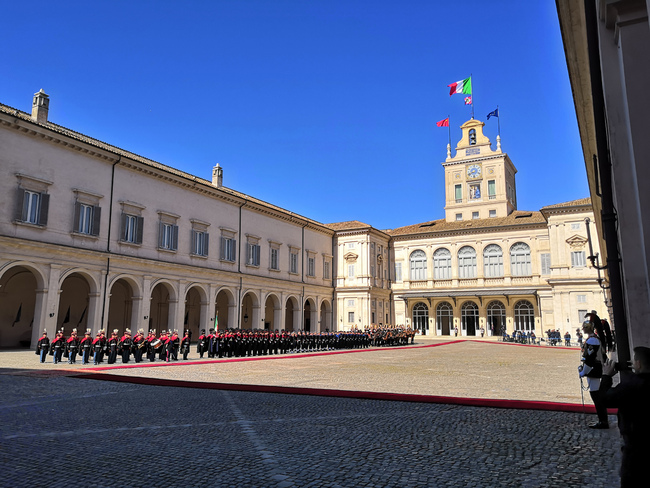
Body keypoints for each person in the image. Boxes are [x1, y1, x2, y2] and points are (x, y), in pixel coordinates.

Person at [601, 347, 650, 487]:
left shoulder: (632, 385)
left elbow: (605, 399)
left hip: (636, 447)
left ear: (639, 364)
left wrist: (606, 376)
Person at [578, 321, 608, 429]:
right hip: (594, 369)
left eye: (584, 327)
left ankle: (603, 421)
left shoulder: (592, 341)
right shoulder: (593, 339)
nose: (583, 329)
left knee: (596, 396)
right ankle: (602, 420)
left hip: (594, 369)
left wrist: (584, 371)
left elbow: (590, 359)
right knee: (596, 395)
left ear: (588, 328)